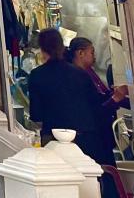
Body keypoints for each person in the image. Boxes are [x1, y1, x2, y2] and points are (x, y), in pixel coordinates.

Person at [27, 29, 109, 164]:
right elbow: (96, 106)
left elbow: (36, 115)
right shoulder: (80, 74)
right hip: (86, 140)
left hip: (54, 141)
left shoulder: (37, 75)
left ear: (42, 49)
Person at [68, 37, 129, 164]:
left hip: (101, 134)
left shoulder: (90, 72)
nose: (94, 57)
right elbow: (94, 110)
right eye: (92, 52)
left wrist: (122, 97)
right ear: (80, 53)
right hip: (91, 136)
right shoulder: (77, 78)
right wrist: (115, 98)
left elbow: (104, 95)